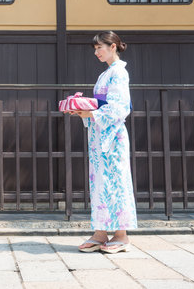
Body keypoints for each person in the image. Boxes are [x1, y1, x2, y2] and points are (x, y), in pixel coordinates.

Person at [64, 31, 137, 253]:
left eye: (100, 48)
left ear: (113, 46)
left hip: (112, 137)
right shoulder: (106, 74)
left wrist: (90, 114)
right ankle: (100, 232)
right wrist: (82, 107)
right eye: (95, 49)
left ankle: (121, 236)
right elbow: (102, 102)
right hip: (99, 136)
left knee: (116, 182)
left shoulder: (119, 73)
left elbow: (119, 107)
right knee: (100, 184)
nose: (96, 52)